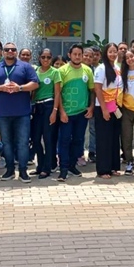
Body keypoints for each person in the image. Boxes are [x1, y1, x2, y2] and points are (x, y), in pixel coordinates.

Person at [0, 41, 39, 182]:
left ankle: (23, 171)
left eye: (13, 49)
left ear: (16, 52)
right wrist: (2, 87)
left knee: (23, 143)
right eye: (7, 49)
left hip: (22, 113)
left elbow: (35, 83)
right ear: (3, 52)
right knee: (6, 143)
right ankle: (9, 170)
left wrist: (19, 88)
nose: (10, 51)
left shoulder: (25, 66)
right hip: (2, 113)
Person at [57, 44, 94, 182]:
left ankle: (72, 165)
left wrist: (91, 107)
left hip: (81, 113)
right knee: (64, 140)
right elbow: (58, 93)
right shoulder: (62, 71)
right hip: (67, 113)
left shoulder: (87, 70)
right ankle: (63, 169)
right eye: (75, 54)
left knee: (78, 140)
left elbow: (92, 91)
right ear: (69, 55)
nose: (77, 57)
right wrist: (62, 111)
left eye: (80, 54)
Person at [94, 43, 123, 179]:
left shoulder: (117, 68)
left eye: (115, 52)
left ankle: (114, 166)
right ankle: (103, 169)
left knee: (114, 138)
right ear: (105, 53)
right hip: (103, 107)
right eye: (110, 52)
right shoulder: (101, 68)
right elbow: (98, 89)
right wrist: (104, 109)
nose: (113, 54)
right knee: (104, 139)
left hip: (115, 106)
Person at [31, 48, 60, 179]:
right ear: (39, 58)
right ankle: (40, 165)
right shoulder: (35, 71)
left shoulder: (55, 72)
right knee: (36, 139)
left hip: (49, 105)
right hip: (37, 107)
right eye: (43, 57)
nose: (46, 60)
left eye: (48, 57)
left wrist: (54, 111)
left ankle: (47, 168)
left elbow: (57, 93)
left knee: (48, 139)